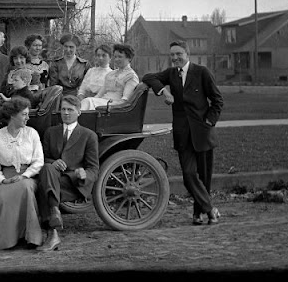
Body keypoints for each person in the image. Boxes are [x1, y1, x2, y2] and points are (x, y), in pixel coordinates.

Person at [141, 40, 224, 226]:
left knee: (204, 177)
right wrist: (164, 92)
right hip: (183, 135)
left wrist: (209, 122)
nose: (175, 58)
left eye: (179, 54)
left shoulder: (202, 72)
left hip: (203, 134)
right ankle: (211, 209)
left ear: (187, 54)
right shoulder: (171, 74)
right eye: (172, 55)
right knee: (188, 175)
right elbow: (147, 77)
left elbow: (217, 101)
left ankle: (199, 214)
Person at [36, 94, 99, 252]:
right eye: (63, 109)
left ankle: (52, 216)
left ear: (79, 112)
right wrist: (53, 162)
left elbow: (94, 169)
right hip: (53, 178)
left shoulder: (88, 135)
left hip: (72, 183)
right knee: (48, 168)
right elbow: (42, 158)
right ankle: (54, 222)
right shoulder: (51, 132)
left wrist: (84, 174)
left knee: (44, 187)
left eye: (70, 110)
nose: (66, 113)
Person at [0, 97, 44, 250]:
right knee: (4, 196)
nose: (28, 117)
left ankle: (31, 237)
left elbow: (38, 161)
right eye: (24, 114)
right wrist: (3, 180)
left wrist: (25, 175)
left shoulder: (31, 133)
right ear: (13, 115)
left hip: (28, 176)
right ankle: (7, 239)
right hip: (6, 178)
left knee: (25, 187)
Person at [80, 44, 140, 111]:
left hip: (115, 106)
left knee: (88, 102)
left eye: (120, 57)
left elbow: (125, 101)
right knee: (87, 102)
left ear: (129, 58)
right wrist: (94, 100)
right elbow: (99, 95)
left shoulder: (131, 76)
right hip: (103, 102)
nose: (117, 59)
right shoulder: (110, 74)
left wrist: (106, 106)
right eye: (115, 57)